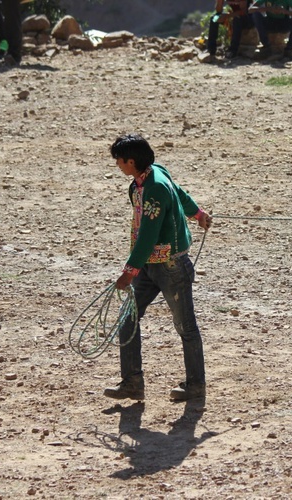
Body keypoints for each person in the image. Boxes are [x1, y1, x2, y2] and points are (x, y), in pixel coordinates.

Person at [104, 134, 212, 402]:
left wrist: (129, 272)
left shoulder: (154, 189)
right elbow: (181, 193)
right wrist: (197, 214)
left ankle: (195, 386)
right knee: (127, 319)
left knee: (186, 327)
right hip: (151, 266)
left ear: (131, 161)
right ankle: (132, 383)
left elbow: (149, 235)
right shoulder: (154, 174)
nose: (117, 164)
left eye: (119, 160)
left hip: (169, 266)